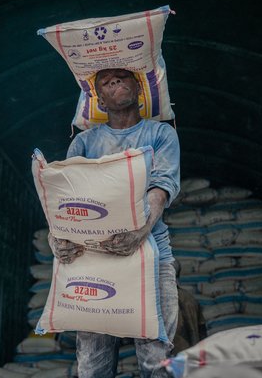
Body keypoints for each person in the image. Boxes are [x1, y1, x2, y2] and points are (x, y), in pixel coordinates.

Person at [48, 68, 181, 378]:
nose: (116, 84)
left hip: (151, 256)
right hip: (94, 263)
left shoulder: (160, 134)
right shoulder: (83, 143)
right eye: (107, 82)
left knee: (156, 360)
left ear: (138, 89)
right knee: (93, 365)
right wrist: (59, 239)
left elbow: (160, 188)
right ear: (101, 101)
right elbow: (66, 200)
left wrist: (140, 230)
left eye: (122, 78)